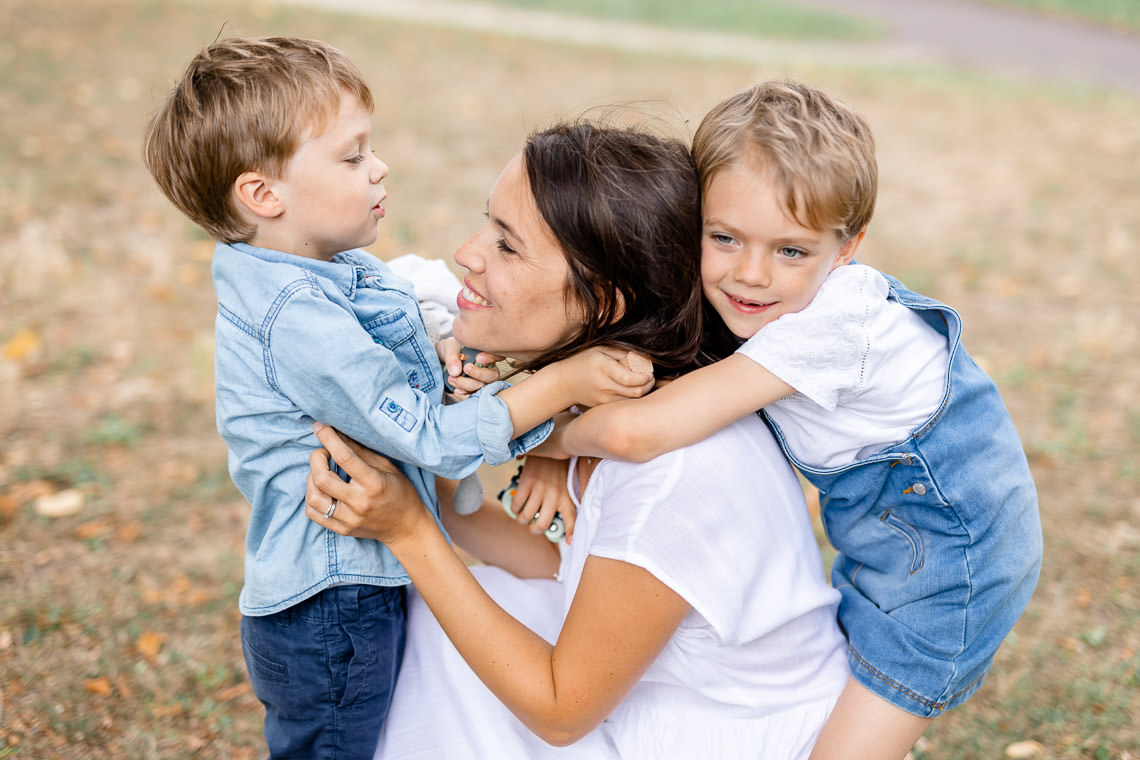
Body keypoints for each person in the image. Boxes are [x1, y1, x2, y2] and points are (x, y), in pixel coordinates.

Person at [140, 37, 651, 759]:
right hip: (331, 607)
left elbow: (405, 370)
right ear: (264, 195)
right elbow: (430, 441)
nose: (379, 167)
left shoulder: (331, 269)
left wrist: (445, 359)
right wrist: (558, 387)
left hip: (352, 588)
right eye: (351, 157)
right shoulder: (298, 315)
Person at [306, 121, 851, 759]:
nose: (467, 253)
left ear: (603, 301)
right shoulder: (621, 403)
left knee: (441, 626)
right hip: (655, 712)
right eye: (489, 225)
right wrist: (434, 494)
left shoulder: (674, 471)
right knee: (440, 620)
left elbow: (562, 712)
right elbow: (568, 576)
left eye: (507, 247)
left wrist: (408, 531)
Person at [538, 80, 1044, 758]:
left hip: (952, 571)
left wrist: (550, 436)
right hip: (885, 545)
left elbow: (638, 431)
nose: (751, 274)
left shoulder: (835, 327)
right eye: (724, 238)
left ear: (848, 247)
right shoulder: (779, 301)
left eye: (790, 251)